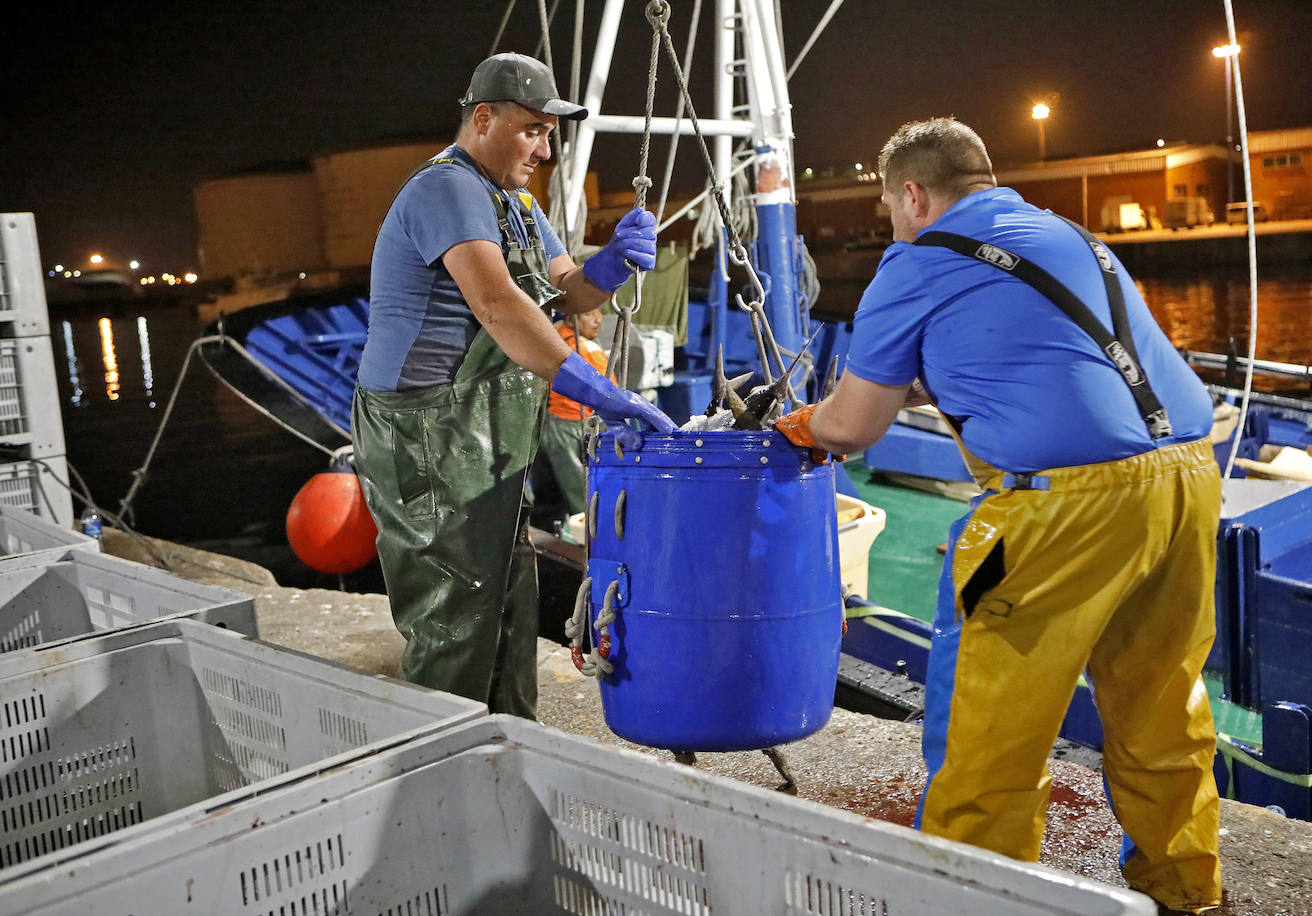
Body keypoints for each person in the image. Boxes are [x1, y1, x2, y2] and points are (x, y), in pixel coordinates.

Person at [776, 118, 1222, 914]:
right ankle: (1186, 892)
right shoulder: (1069, 237)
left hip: (1064, 507)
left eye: (888, 207)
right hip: (1186, 479)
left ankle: (974, 900)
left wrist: (803, 426)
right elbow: (1053, 353)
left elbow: (851, 428)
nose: (892, 223)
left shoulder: (916, 261)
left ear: (912, 194)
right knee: (1161, 708)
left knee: (991, 733)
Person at [352, 52, 676, 720]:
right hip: (425, 431)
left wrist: (611, 262)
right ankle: (441, 762)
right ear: (483, 118)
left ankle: (509, 742)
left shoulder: (520, 206)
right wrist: (605, 394)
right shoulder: (446, 189)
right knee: (453, 611)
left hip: (485, 431)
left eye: (549, 132)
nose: (544, 146)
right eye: (531, 129)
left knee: (507, 595)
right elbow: (500, 306)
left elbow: (565, 291)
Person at [539, 309, 611, 522]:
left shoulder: (553, 334)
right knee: (582, 499)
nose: (597, 320)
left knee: (548, 498)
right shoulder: (589, 350)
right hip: (574, 428)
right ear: (572, 317)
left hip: (548, 425)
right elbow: (610, 396)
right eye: (589, 314)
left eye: (599, 313)